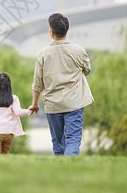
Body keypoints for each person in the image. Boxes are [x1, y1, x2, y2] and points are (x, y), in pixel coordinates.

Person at [29, 13, 94, 156]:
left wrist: (35, 103)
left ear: (51, 32)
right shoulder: (78, 51)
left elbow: (37, 83)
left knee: (58, 143)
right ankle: (70, 168)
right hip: (74, 102)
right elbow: (87, 70)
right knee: (73, 140)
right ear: (67, 29)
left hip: (53, 105)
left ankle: (60, 171)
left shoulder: (43, 54)